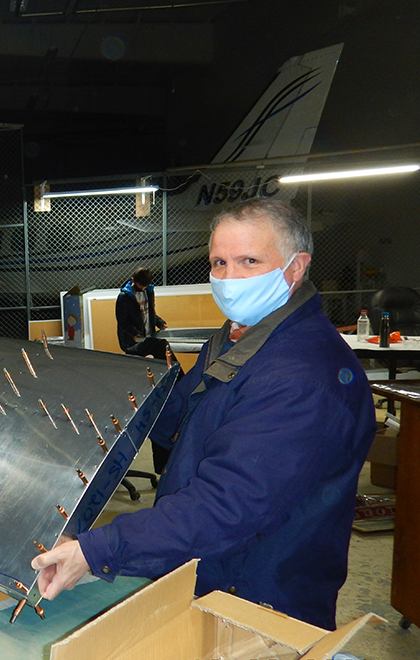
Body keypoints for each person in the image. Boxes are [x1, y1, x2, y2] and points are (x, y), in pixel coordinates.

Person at [32, 199, 375, 630]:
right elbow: (184, 419)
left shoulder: (302, 376)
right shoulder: (238, 337)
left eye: (249, 261)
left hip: (256, 601)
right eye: (219, 263)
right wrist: (111, 401)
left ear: (296, 267)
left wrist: (97, 550)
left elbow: (228, 507)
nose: (229, 279)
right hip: (205, 573)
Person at [115, 267, 168, 358]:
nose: (143, 288)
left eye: (145, 286)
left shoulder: (148, 291)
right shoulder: (124, 296)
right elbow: (122, 321)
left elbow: (149, 312)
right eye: (140, 286)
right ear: (133, 280)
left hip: (148, 336)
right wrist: (135, 333)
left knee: (163, 349)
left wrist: (159, 322)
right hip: (133, 341)